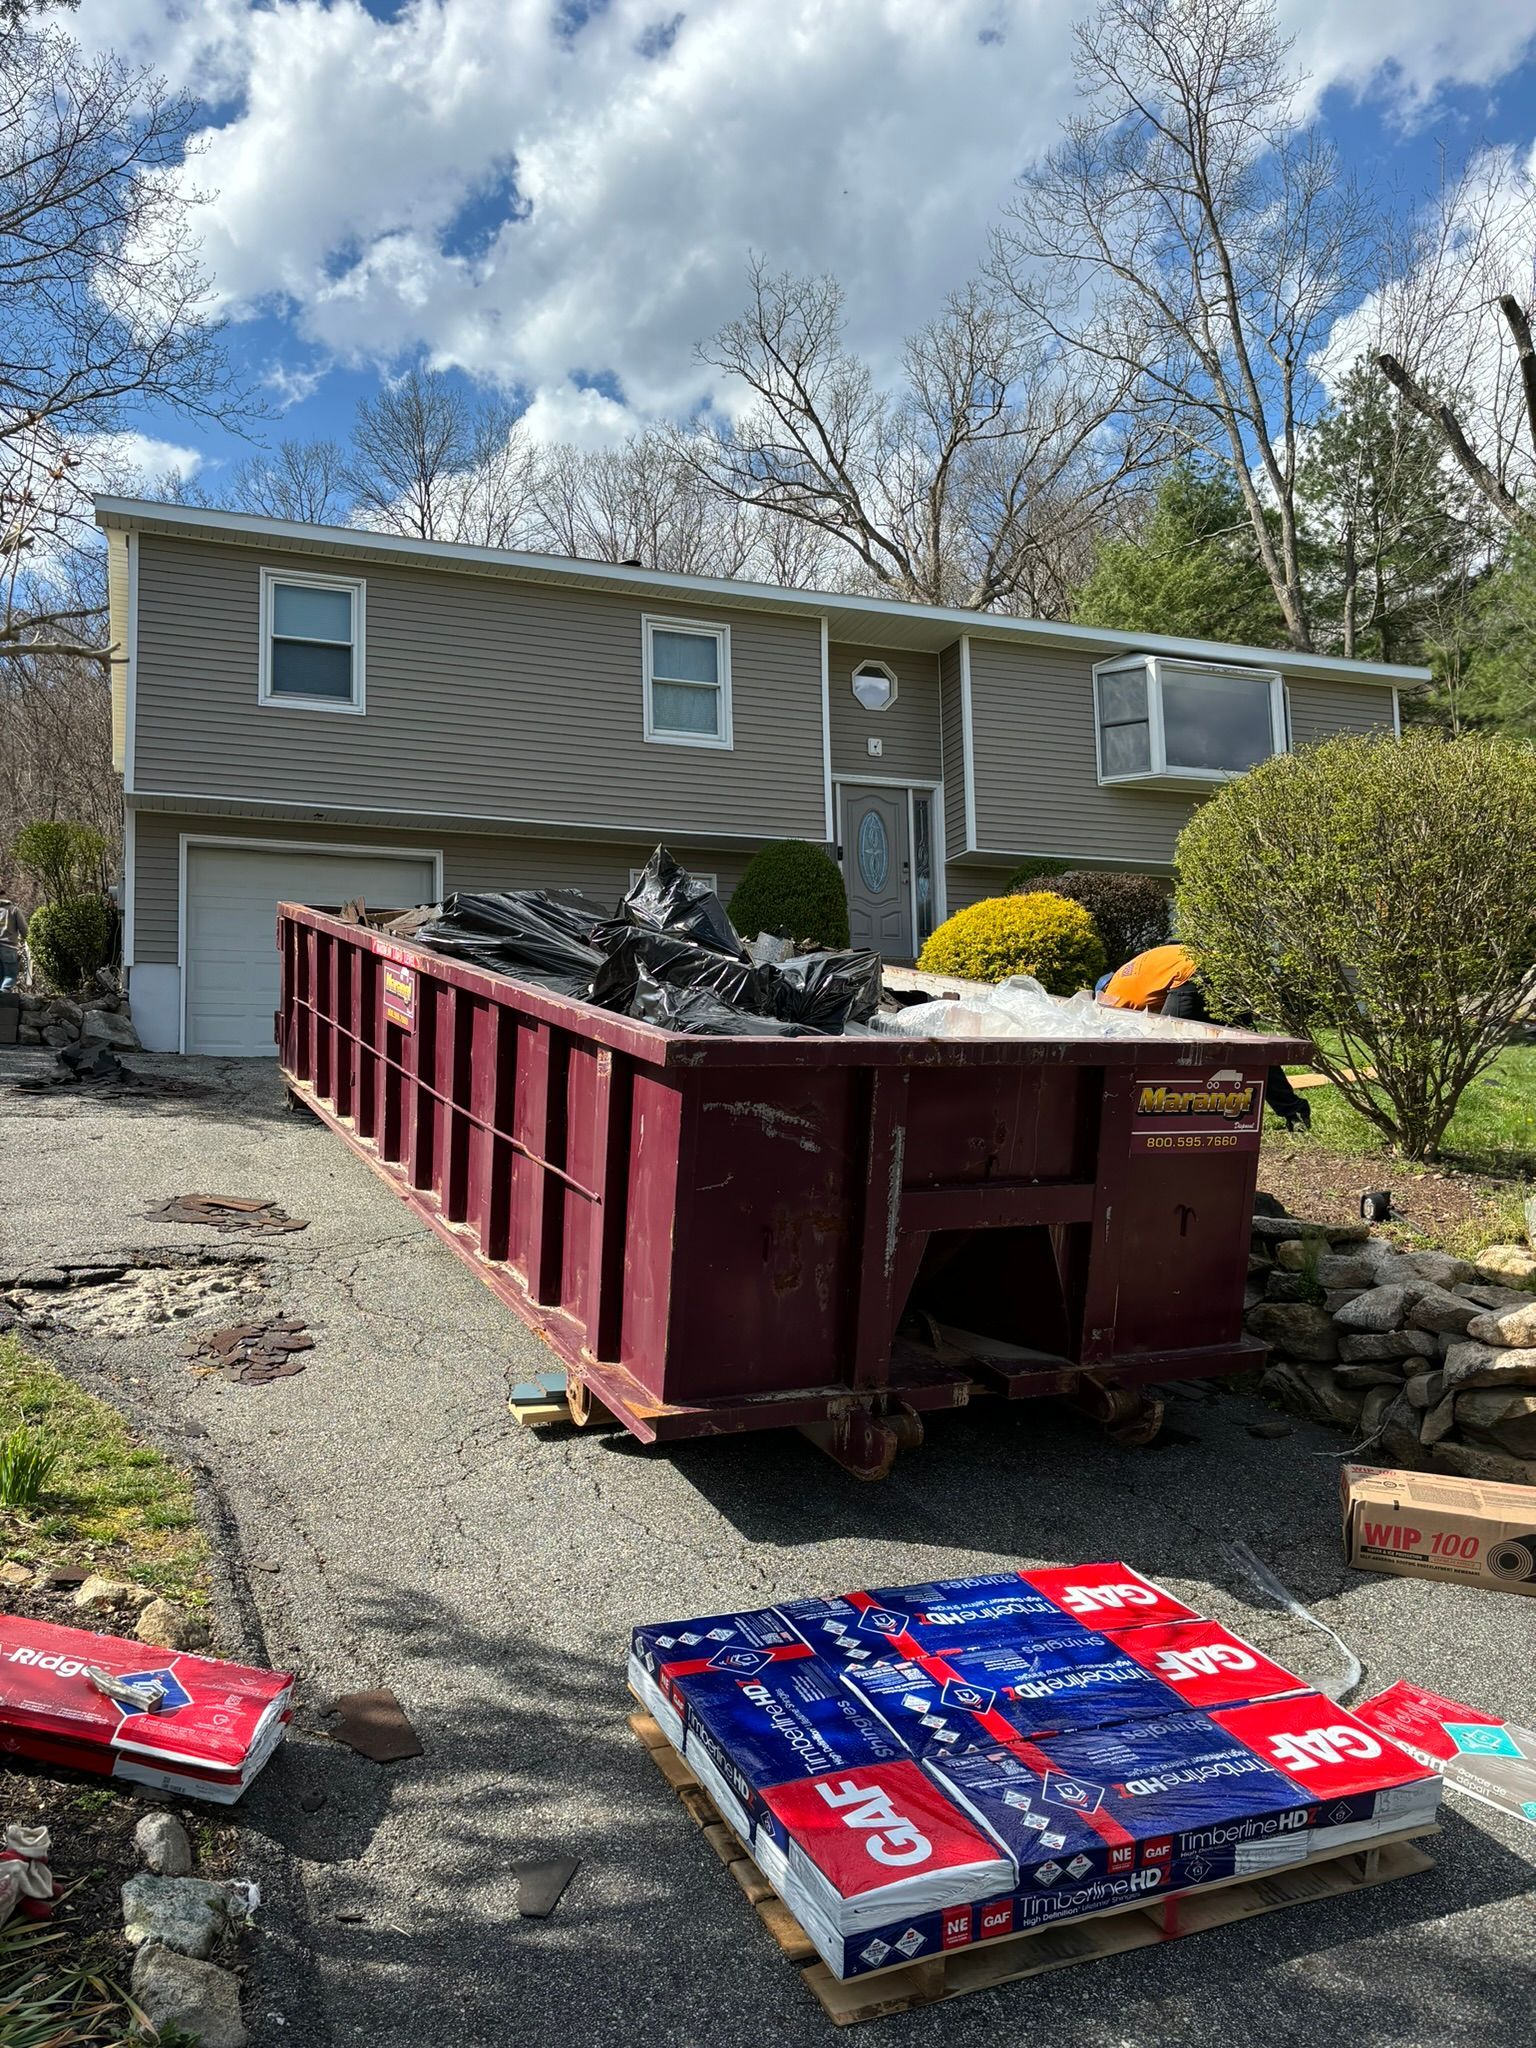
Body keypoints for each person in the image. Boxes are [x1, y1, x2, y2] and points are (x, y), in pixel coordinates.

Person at [1098, 943, 1311, 1132]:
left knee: (1164, 1044)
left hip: (1191, 975)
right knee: (1250, 1046)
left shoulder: (1113, 997)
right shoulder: (1135, 973)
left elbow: (1117, 1037)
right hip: (1221, 969)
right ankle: (1294, 1111)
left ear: (1102, 991)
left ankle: (1161, 1113)